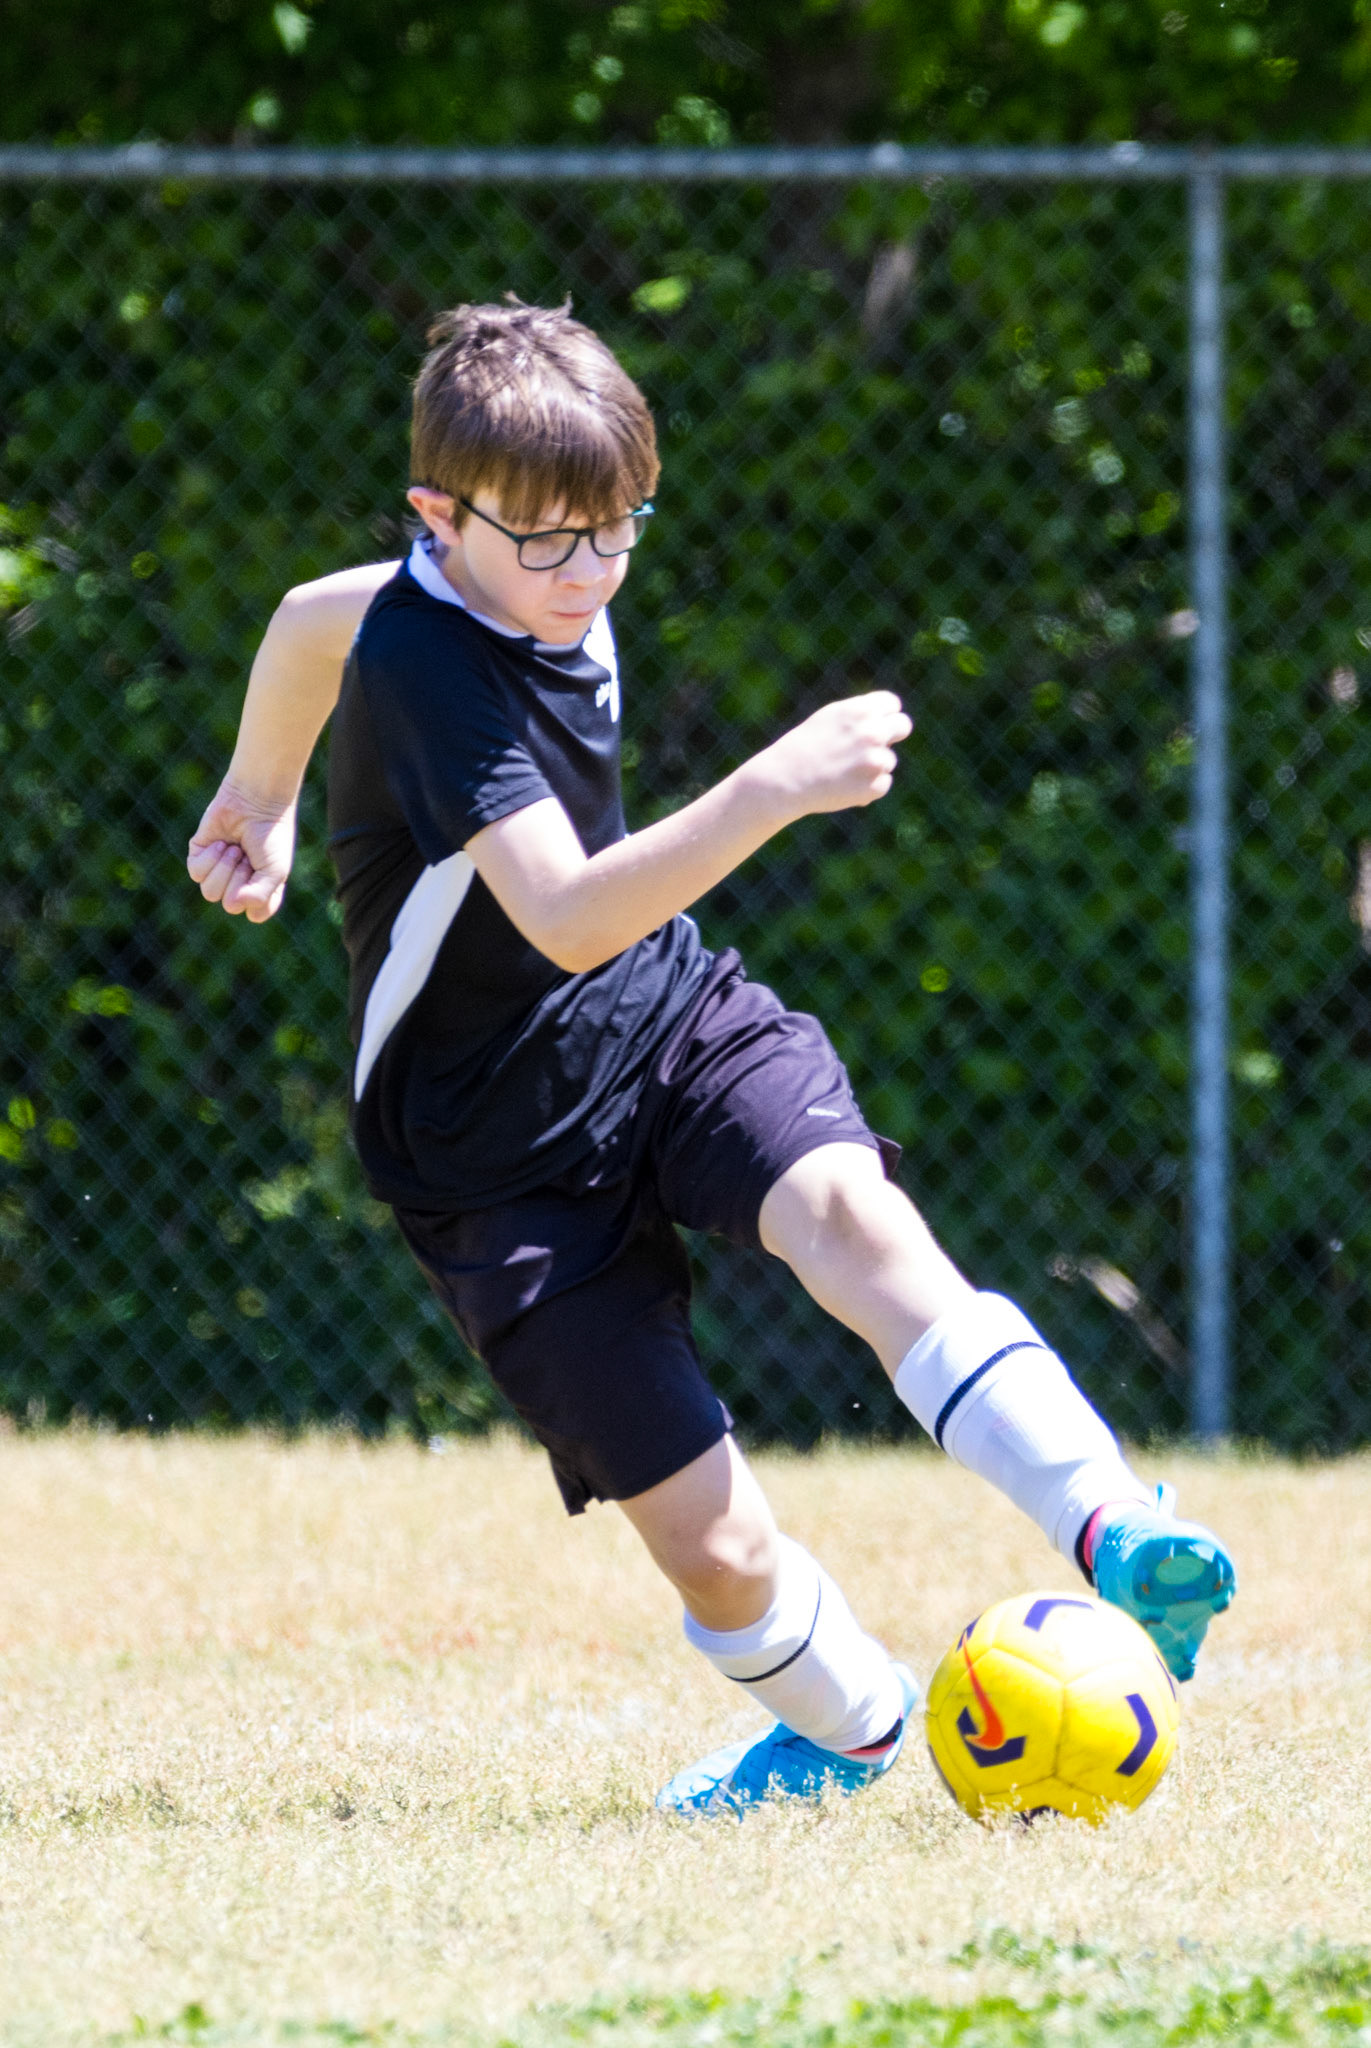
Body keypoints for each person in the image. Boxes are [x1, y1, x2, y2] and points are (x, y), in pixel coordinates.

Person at [187, 298, 1235, 1816]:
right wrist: (774, 785)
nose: (588, 573)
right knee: (718, 1549)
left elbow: (302, 618)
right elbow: (560, 914)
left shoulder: (505, 566)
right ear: (440, 516)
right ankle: (852, 1728)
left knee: (856, 1220)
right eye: (548, 543)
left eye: (616, 531)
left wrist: (258, 795)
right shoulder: (430, 664)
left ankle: (1117, 1528)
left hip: (660, 1019)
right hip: (488, 1157)